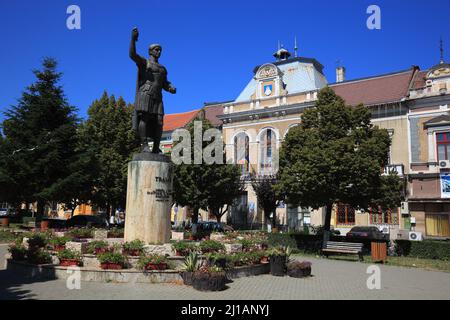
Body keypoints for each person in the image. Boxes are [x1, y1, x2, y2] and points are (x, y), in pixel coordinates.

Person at [129, 27, 177, 153]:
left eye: (160, 50)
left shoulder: (162, 69)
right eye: (156, 50)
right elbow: (132, 55)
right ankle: (144, 144)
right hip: (146, 94)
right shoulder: (144, 63)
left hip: (158, 97)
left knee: (159, 122)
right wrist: (133, 39)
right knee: (144, 118)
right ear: (150, 51)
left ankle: (156, 147)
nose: (159, 52)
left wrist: (170, 88)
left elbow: (164, 83)